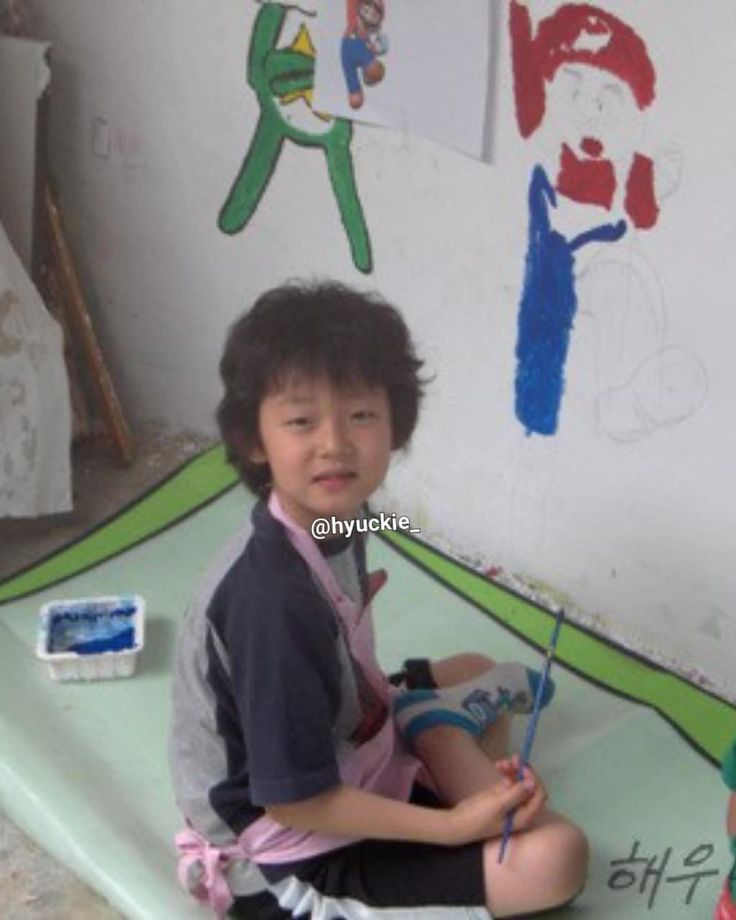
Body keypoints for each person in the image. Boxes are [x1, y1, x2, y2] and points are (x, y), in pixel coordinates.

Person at [168, 281, 589, 918]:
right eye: (302, 420)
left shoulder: (334, 519)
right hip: (288, 852)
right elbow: (293, 802)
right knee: (558, 857)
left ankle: (425, 723)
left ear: (394, 425)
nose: (335, 443)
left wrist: (352, 608)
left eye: (361, 414)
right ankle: (429, 727)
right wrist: (453, 828)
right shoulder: (271, 601)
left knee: (474, 665)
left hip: (342, 749)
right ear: (255, 440)